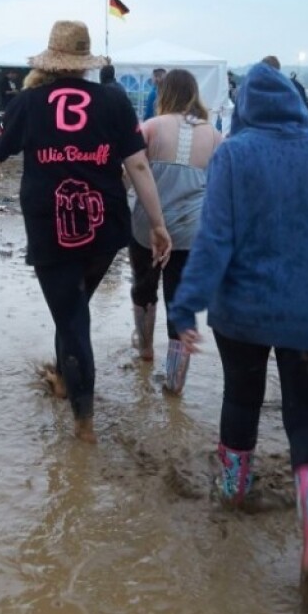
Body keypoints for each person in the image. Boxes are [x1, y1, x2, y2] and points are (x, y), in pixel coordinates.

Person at [168, 61, 308, 614]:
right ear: (299, 105)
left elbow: (215, 241)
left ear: (246, 109)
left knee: (241, 401)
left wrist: (185, 305)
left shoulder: (235, 153)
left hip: (245, 314)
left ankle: (233, 495)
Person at [0, 20, 171, 444]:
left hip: (51, 230)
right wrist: (157, 224)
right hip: (104, 230)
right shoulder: (115, 102)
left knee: (72, 318)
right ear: (84, 64)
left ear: (51, 60)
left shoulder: (28, 102)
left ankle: (84, 427)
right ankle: (65, 382)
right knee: (72, 308)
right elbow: (137, 166)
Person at [129, 69, 223, 395]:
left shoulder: (150, 127)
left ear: (164, 93)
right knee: (178, 300)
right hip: (191, 232)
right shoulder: (213, 135)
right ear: (194, 94)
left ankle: (145, 350)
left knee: (143, 288)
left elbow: (128, 172)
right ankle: (175, 382)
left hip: (146, 226)